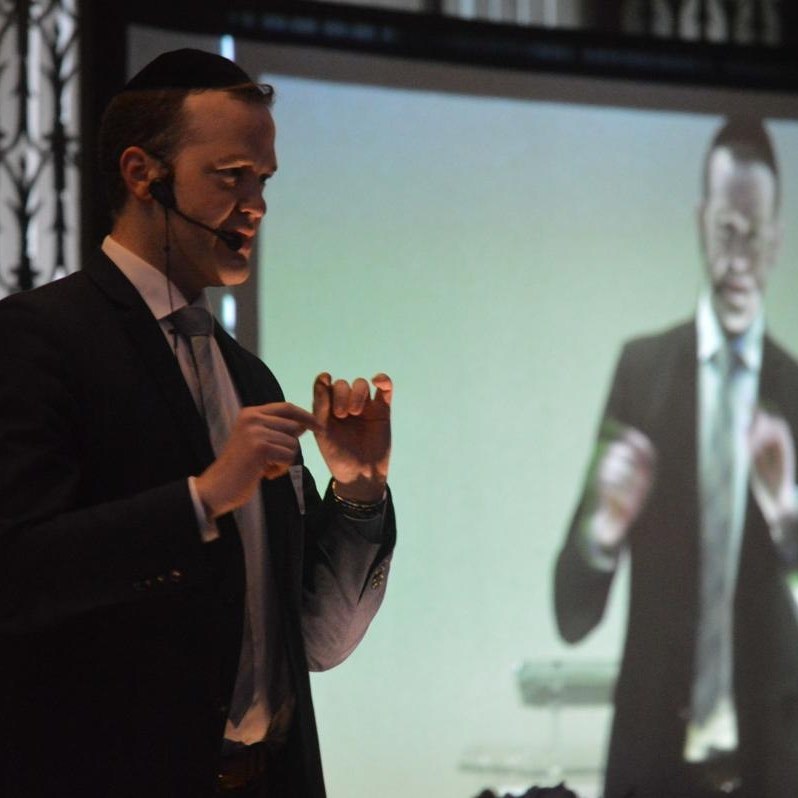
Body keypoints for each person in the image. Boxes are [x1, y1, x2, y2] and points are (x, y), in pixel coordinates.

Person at [0, 48, 395, 798]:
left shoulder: (249, 377)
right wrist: (203, 499)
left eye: (264, 180)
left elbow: (318, 642)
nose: (256, 205)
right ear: (142, 174)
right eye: (231, 176)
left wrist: (359, 492)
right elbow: (17, 574)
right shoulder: (35, 338)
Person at [554, 118, 798, 798]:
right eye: (725, 230)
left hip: (774, 766)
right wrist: (602, 529)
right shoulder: (643, 373)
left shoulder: (796, 394)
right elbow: (571, 613)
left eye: (755, 236)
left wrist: (788, 517)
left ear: (777, 241)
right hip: (653, 760)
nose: (738, 258)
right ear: (700, 223)